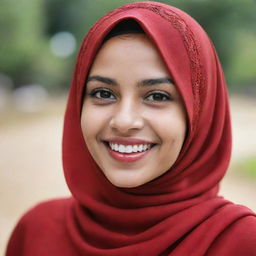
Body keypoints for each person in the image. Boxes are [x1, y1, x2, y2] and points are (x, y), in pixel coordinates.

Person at [6, 1, 256, 255]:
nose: (124, 121)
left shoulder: (242, 243)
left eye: (157, 96)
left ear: (200, 113)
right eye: (103, 93)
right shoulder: (36, 231)